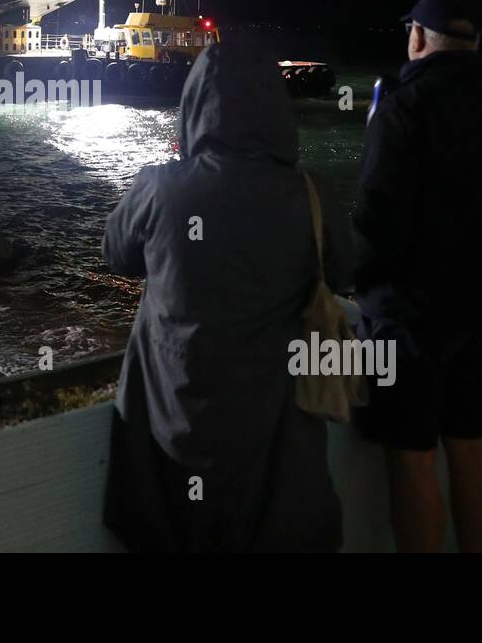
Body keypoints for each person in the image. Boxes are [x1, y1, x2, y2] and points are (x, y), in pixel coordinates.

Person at [102, 37, 351, 552]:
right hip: (276, 448)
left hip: (171, 438)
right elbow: (346, 270)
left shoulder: (158, 188)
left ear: (194, 104)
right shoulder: (311, 196)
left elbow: (117, 255)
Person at [352, 0, 482, 552]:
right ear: (474, 41)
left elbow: (377, 220)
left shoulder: (402, 106)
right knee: (471, 443)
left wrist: (361, 283)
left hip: (414, 315)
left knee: (412, 459)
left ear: (418, 37)